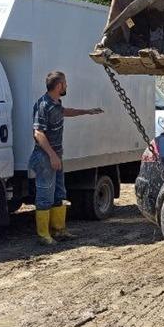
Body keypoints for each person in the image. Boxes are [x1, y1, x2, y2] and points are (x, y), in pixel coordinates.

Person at [29, 71, 103, 246]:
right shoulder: (43, 105)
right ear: (59, 86)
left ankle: (59, 230)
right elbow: (38, 133)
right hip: (45, 157)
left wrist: (87, 111)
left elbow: (64, 112)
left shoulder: (56, 103)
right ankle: (43, 235)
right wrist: (52, 156)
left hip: (55, 156)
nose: (67, 86)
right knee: (45, 195)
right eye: (65, 83)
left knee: (58, 193)